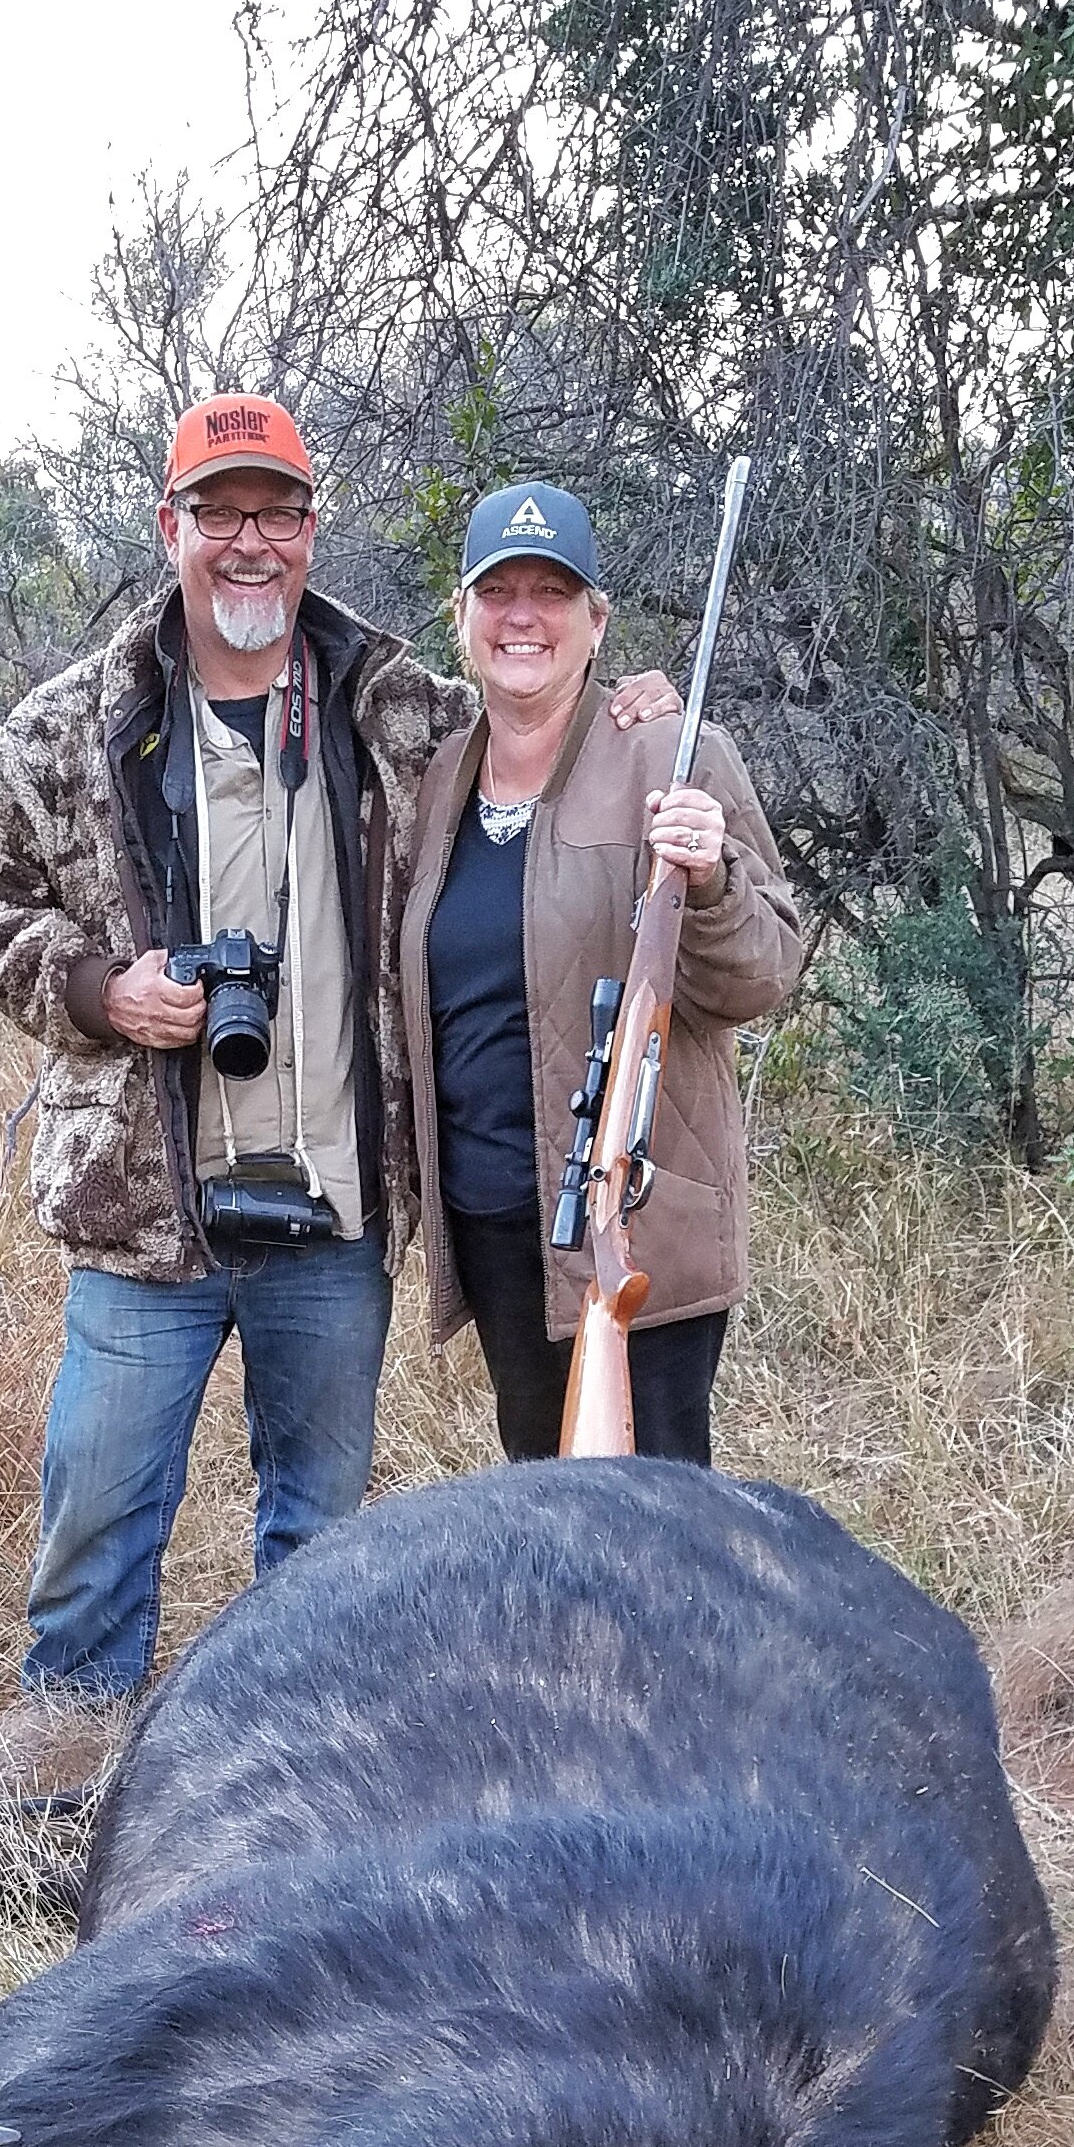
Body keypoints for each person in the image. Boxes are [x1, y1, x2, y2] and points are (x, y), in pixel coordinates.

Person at [0, 405, 681, 1816]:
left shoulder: (403, 712)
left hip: (332, 1211)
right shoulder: (66, 726)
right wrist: (103, 988)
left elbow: (540, 721)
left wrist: (634, 710)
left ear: (309, 532)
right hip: (141, 1217)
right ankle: (58, 1788)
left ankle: (291, 1787)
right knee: (98, 1522)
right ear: (171, 530)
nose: (249, 541)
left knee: (319, 1534)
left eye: (276, 511)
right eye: (219, 511)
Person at [400, 480, 806, 1465]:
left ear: (596, 620)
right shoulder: (436, 775)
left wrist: (710, 880)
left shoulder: (672, 752)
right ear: (462, 617)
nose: (523, 617)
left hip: (640, 1224)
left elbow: (764, 974)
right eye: (499, 593)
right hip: (495, 1222)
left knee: (656, 1540)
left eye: (553, 592)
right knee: (549, 1518)